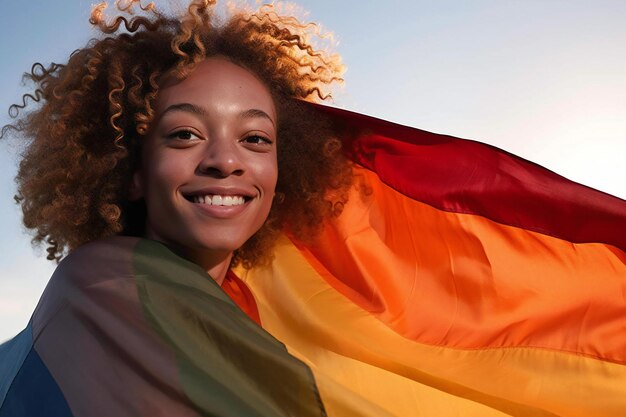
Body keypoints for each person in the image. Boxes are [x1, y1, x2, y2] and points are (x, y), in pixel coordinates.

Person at [1, 1, 625, 416]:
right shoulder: (104, 285)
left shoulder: (236, 312)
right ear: (132, 171)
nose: (227, 162)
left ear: (283, 171)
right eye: (185, 135)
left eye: (255, 139)